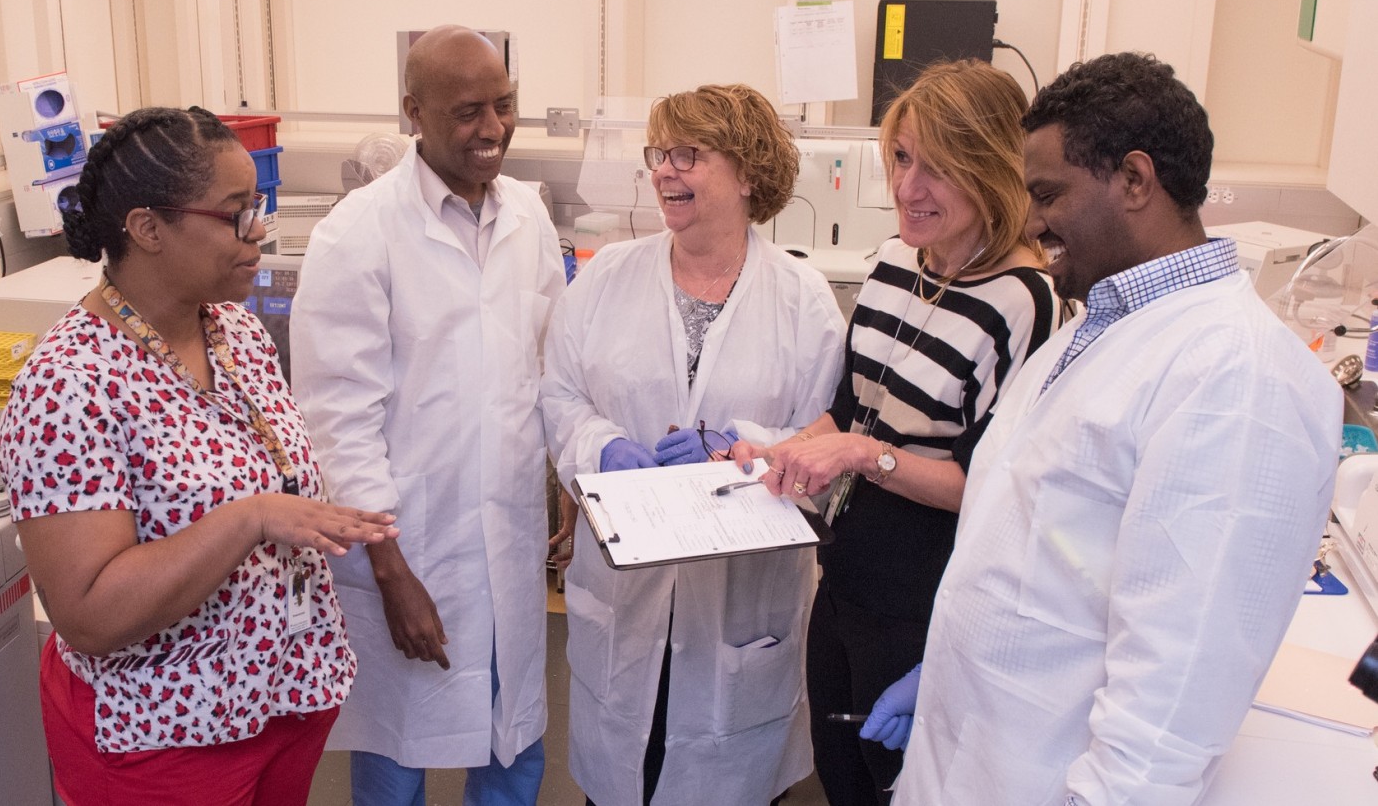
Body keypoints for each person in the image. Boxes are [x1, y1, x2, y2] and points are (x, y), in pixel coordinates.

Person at [870, 52, 1341, 805]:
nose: (1030, 221)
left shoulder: (1236, 377)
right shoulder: (1100, 327)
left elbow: (1172, 701)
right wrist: (951, 669)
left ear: (1135, 179)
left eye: (1048, 194)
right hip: (977, 751)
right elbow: (1039, 550)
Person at [0, 106, 399, 806]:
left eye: (258, 207)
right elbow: (89, 614)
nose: (258, 230)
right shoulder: (69, 384)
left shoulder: (234, 332)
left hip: (282, 698)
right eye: (236, 213)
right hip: (163, 734)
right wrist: (251, 519)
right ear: (148, 228)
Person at [730, 60, 1060, 805]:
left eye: (937, 168)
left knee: (901, 787)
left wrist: (865, 456)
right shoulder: (893, 263)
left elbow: (986, 487)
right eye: (903, 158)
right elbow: (849, 411)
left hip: (926, 603)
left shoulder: (1023, 303)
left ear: (992, 170)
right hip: (845, 575)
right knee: (840, 774)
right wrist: (776, 452)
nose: (909, 187)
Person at [542, 83, 845, 805]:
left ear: (747, 173)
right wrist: (603, 448)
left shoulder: (804, 301)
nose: (665, 172)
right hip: (625, 590)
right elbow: (559, 393)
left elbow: (827, 445)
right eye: (659, 154)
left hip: (743, 602)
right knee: (624, 779)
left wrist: (750, 446)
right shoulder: (607, 276)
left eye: (689, 155)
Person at [289, 25, 565, 806]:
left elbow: (555, 368)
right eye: (468, 111)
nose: (493, 128)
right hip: (409, 549)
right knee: (396, 758)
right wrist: (390, 570)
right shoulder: (358, 233)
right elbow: (337, 420)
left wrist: (575, 495)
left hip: (507, 542)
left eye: (504, 105)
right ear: (414, 112)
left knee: (514, 747)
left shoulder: (528, 217)